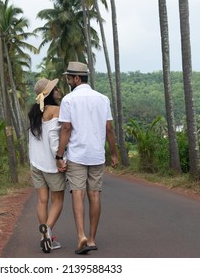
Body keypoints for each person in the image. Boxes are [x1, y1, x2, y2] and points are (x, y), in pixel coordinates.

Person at [56, 62, 119, 255]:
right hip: (97, 155)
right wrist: (114, 153)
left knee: (78, 193)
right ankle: (91, 239)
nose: (68, 81)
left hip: (77, 155)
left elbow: (66, 129)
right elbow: (109, 128)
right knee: (95, 194)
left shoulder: (69, 100)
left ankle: (80, 235)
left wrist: (59, 155)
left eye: (69, 78)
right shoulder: (103, 99)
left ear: (76, 79)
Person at [28, 77, 66, 253]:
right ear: (50, 93)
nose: (58, 91)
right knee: (57, 201)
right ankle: (47, 233)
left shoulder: (35, 111)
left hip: (36, 163)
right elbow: (53, 139)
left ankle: (47, 234)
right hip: (51, 164)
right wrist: (59, 158)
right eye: (56, 89)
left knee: (42, 200)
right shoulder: (55, 110)